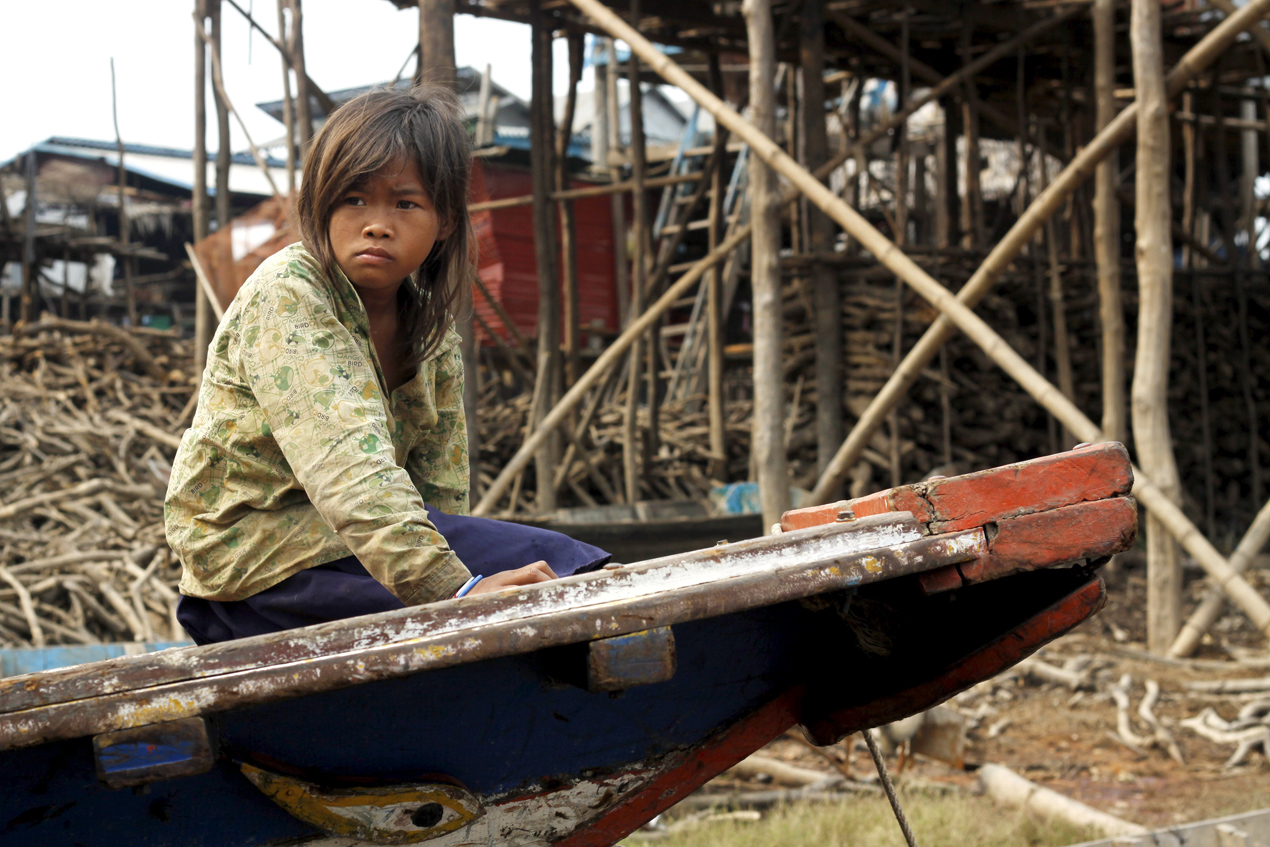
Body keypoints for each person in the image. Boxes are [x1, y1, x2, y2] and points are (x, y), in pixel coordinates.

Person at [166, 86, 609, 645]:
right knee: (556, 571)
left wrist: (466, 571)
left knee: (565, 566)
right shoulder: (291, 292)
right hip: (255, 572)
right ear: (320, 206)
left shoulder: (429, 325)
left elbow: (441, 487)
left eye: (405, 204)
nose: (377, 224)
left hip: (351, 554)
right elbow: (347, 469)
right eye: (354, 200)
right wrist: (456, 594)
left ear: (444, 221)